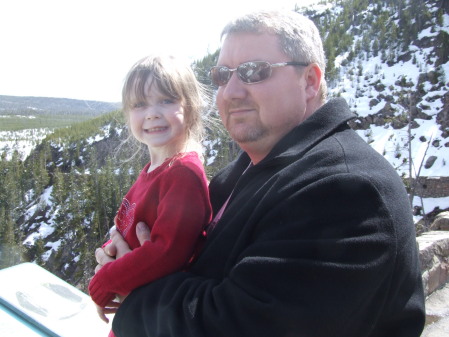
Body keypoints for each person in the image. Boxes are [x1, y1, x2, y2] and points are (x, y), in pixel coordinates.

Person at [95, 10, 425, 337]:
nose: (231, 91)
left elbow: (242, 325)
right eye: (223, 75)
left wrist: (134, 294)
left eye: (254, 72)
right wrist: (124, 264)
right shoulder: (250, 171)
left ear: (309, 81)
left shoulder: (346, 190)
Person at [88, 55, 212, 336]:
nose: (152, 113)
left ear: (190, 108)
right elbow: (127, 228)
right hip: (136, 314)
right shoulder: (152, 171)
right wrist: (108, 258)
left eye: (166, 100)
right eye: (139, 104)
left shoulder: (182, 174)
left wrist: (106, 281)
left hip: (153, 322)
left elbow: (167, 252)